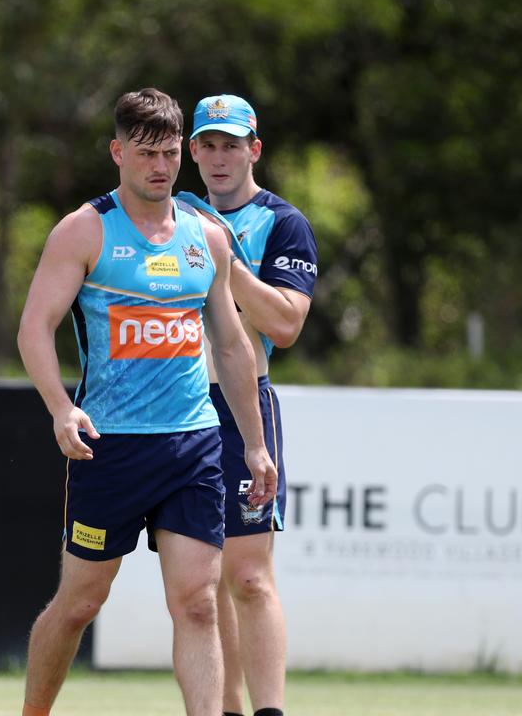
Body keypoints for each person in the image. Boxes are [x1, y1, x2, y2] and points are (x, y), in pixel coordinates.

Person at [16, 87, 277, 716]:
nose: (160, 167)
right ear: (117, 152)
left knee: (197, 603)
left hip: (192, 445)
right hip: (111, 448)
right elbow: (34, 327)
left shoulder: (205, 240)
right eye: (145, 153)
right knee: (79, 604)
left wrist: (256, 444)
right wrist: (59, 407)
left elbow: (235, 348)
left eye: (167, 154)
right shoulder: (84, 231)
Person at [187, 94, 318, 716]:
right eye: (207, 145)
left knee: (248, 576)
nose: (218, 157)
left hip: (242, 405)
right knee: (199, 584)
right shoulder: (168, 216)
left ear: (254, 150)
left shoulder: (283, 222)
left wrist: (225, 260)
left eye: (230, 145)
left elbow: (287, 324)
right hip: (175, 406)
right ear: (191, 151)